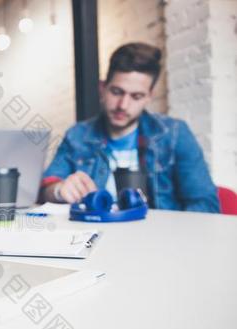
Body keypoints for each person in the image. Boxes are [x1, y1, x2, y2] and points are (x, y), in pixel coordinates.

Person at [40, 42, 219, 212]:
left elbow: (206, 204)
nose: (123, 105)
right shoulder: (77, 135)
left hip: (159, 240)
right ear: (102, 89)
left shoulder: (175, 134)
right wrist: (59, 190)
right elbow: (46, 187)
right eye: (117, 92)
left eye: (136, 96)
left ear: (149, 97)